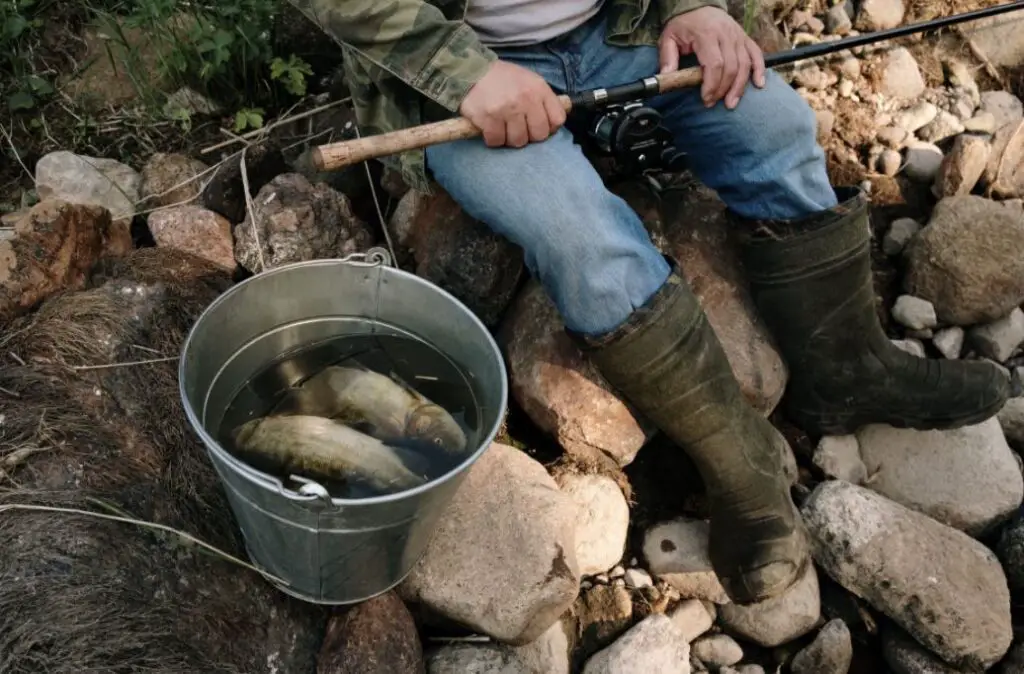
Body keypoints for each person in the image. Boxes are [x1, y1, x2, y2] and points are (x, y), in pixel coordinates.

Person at [290, 0, 1011, 604]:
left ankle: (848, 371)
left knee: (775, 129)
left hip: (627, 31)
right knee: (581, 238)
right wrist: (465, 74)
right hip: (465, 76)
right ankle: (740, 466)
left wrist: (692, 6)